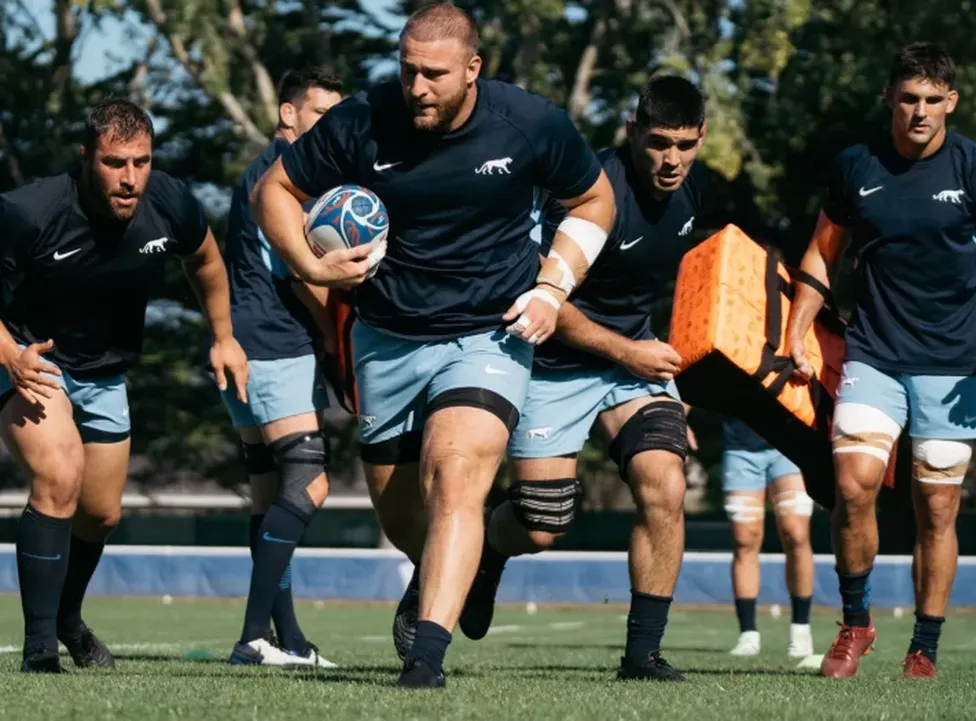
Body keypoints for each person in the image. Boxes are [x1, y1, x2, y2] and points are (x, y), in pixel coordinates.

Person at [251, 2, 615, 688]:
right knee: (402, 513)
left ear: (473, 69)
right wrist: (310, 264)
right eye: (407, 69)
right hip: (385, 339)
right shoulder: (363, 118)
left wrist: (552, 287)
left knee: (455, 475)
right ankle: (456, 570)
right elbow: (276, 189)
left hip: (487, 333)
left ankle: (426, 658)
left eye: (434, 74)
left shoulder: (528, 122)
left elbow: (595, 201)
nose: (416, 87)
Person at [456, 75, 712, 681]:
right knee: (542, 526)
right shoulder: (589, 192)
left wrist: (680, 387)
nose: (671, 159)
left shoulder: (692, 194)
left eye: (684, 144)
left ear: (701, 139)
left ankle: (641, 655)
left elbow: (675, 290)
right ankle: (491, 551)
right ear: (631, 133)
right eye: (657, 143)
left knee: (665, 483)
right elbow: (545, 302)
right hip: (556, 362)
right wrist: (630, 352)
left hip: (633, 360)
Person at [0, 99, 249, 673]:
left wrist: (223, 337)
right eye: (115, 163)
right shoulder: (29, 210)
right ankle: (40, 648)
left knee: (102, 514)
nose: (130, 178)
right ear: (86, 157)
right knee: (58, 474)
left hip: (105, 372)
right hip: (30, 359)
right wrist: (10, 353)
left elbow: (207, 262)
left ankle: (67, 618)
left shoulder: (169, 201)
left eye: (141, 162)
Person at [786, 42, 976, 679]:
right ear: (889, 99)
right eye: (909, 99)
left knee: (936, 508)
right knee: (852, 487)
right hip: (874, 352)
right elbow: (823, 253)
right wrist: (797, 331)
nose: (920, 112)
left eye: (934, 101)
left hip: (956, 364)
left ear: (951, 103)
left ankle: (925, 648)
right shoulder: (857, 165)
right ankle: (855, 625)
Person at [221, 67, 344, 668]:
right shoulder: (281, 182)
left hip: (243, 346)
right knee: (309, 484)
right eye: (321, 115)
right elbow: (303, 278)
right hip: (275, 346)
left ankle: (287, 638)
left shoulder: (261, 175)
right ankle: (252, 636)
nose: (332, 128)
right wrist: (339, 351)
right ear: (287, 114)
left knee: (269, 497)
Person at [720, 417, 814, 659]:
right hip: (740, 449)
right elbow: (685, 379)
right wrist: (680, 417)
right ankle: (748, 634)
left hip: (790, 445)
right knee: (744, 540)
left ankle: (801, 630)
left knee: (796, 534)